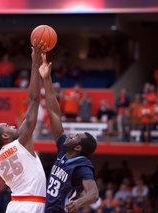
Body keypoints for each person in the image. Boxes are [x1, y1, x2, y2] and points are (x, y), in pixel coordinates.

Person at [0, 40, 46, 213]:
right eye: (7, 126)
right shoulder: (21, 142)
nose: (13, 126)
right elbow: (34, 101)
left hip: (15, 204)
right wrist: (35, 66)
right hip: (31, 204)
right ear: (4, 136)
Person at [39, 53, 99, 212]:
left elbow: (93, 194)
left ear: (78, 148)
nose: (71, 135)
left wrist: (79, 203)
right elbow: (53, 113)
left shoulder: (82, 166)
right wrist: (46, 79)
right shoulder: (63, 150)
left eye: (76, 137)